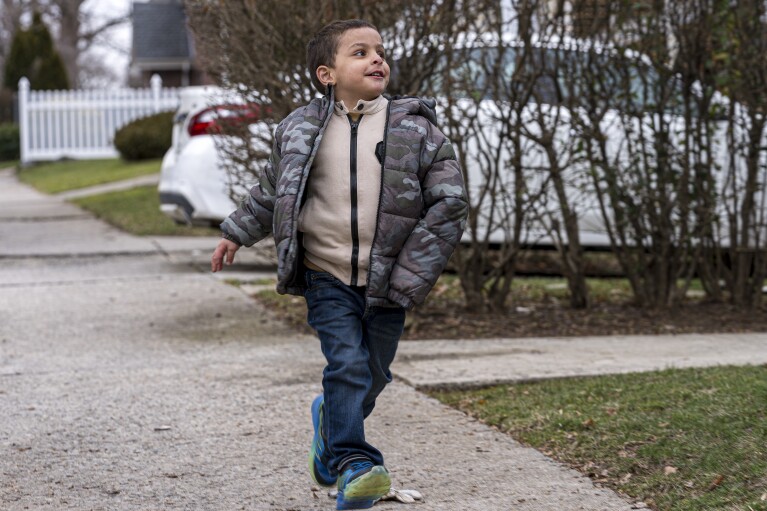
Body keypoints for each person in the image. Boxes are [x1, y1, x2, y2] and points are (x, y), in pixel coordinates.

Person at [211, 18, 467, 510]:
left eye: (379, 51)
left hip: (390, 279)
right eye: (360, 52)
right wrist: (235, 233)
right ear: (326, 74)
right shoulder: (299, 129)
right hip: (325, 273)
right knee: (346, 364)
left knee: (372, 375)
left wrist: (413, 269)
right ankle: (357, 466)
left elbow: (449, 202)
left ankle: (329, 432)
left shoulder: (417, 129)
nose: (377, 59)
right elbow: (273, 192)